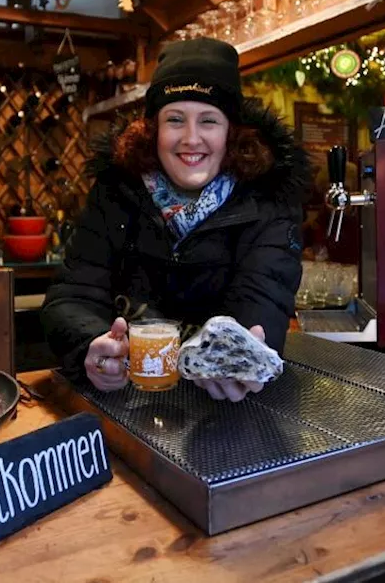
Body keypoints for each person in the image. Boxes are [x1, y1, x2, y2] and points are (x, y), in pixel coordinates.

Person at [40, 38, 311, 402]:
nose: (191, 138)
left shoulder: (268, 204)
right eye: (175, 120)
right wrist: (91, 345)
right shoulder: (115, 193)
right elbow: (71, 297)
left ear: (232, 132)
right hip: (128, 398)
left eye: (209, 120)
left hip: (222, 413)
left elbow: (261, 306)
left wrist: (238, 358)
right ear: (153, 131)